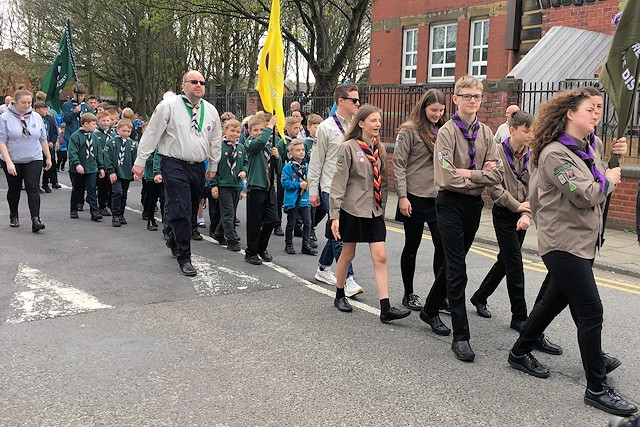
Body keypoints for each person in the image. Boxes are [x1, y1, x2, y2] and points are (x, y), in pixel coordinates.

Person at [507, 88, 636, 416]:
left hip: (582, 242)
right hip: (563, 244)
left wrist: (612, 157)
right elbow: (586, 193)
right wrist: (609, 179)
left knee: (552, 301)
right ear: (569, 114)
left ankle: (520, 351)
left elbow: (596, 173)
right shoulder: (554, 153)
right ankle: (596, 386)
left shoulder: (587, 145)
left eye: (598, 109)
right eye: (590, 109)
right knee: (591, 311)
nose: (596, 114)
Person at [434, 75, 502, 362]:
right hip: (449, 203)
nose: (472, 100)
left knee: (454, 260)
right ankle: (460, 336)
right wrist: (479, 176)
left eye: (476, 96)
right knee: (458, 268)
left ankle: (428, 308)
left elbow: (497, 172)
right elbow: (446, 174)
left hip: (474, 205)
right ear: (456, 99)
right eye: (466, 95)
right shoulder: (446, 133)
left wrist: (471, 175)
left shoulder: (486, 133)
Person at [132, 70, 222, 277]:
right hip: (173, 164)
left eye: (201, 82)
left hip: (197, 166)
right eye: (194, 82)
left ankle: (173, 238)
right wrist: (140, 161)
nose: (198, 85)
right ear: (184, 85)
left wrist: (213, 166)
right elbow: (151, 134)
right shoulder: (168, 106)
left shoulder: (210, 111)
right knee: (180, 208)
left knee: (190, 211)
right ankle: (184, 256)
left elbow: (215, 140)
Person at [329, 105, 411, 323]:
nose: (378, 124)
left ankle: (386, 308)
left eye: (379, 120)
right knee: (348, 255)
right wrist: (334, 215)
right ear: (361, 123)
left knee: (381, 257)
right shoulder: (347, 148)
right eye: (373, 120)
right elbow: (338, 183)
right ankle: (339, 294)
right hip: (352, 210)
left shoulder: (379, 148)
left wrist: (381, 208)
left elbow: (383, 182)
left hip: (373, 211)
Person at [392, 89, 451, 333]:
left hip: (437, 195)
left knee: (443, 246)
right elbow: (398, 164)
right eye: (433, 110)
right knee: (412, 245)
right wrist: (403, 197)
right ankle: (409, 293)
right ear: (423, 107)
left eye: (441, 110)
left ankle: (438, 297)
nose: (437, 114)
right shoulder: (409, 130)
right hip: (414, 196)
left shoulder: (444, 130)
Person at [470, 111, 534, 332]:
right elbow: (493, 187)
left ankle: (479, 296)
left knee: (506, 260)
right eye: (527, 131)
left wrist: (527, 213)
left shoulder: (531, 156)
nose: (530, 135)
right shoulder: (496, 153)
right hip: (504, 213)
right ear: (513, 130)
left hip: (523, 213)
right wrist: (516, 206)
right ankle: (519, 317)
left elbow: (536, 187)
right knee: (515, 262)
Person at [308, 84, 363, 296]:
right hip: (330, 187)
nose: (358, 104)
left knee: (336, 233)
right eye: (354, 100)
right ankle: (348, 279)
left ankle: (323, 268)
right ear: (341, 101)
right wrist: (313, 190)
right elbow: (316, 161)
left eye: (358, 100)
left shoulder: (358, 127)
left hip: (351, 189)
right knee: (341, 234)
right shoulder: (326, 128)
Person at [0, 89, 51, 231]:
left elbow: (43, 138)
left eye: (29, 102)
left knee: (32, 186)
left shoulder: (36, 117)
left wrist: (48, 156)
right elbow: (1, 141)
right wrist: (9, 162)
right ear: (15, 102)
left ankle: (36, 219)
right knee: (14, 188)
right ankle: (14, 214)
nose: (27, 105)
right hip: (13, 158)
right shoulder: (4, 118)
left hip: (33, 157)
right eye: (24, 102)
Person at [243, 114, 281, 265]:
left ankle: (261, 247)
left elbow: (278, 169)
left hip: (269, 187)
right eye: (256, 130)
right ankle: (250, 251)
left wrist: (277, 157)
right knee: (254, 221)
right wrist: (270, 127)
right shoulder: (250, 143)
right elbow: (259, 143)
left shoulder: (270, 144)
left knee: (272, 219)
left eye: (262, 129)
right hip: (256, 186)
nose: (259, 132)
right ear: (250, 131)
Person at [207, 118, 246, 252]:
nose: (235, 134)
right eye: (233, 131)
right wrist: (214, 184)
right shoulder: (219, 146)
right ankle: (231, 240)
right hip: (223, 184)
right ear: (225, 131)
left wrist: (244, 171)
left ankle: (219, 232)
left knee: (231, 212)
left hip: (236, 184)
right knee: (228, 213)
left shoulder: (240, 148)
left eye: (238, 131)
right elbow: (214, 166)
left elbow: (246, 162)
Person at [282, 139, 316, 255]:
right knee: (291, 223)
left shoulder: (307, 166)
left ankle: (306, 245)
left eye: (302, 150)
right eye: (298, 150)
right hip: (293, 199)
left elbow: (312, 180)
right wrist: (298, 185)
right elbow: (285, 183)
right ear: (291, 153)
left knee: (307, 222)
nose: (301, 152)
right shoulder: (288, 167)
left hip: (304, 199)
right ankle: (288, 244)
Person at [67, 113, 104, 222]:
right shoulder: (76, 136)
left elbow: (98, 153)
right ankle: (73, 208)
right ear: (86, 124)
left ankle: (94, 211)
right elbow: (72, 152)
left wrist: (100, 167)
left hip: (92, 168)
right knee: (77, 189)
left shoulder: (94, 137)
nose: (95, 126)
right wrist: (77, 164)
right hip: (78, 168)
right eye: (93, 124)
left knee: (92, 189)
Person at [104, 119, 137, 227]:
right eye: (123, 131)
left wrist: (136, 172)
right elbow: (107, 157)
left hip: (126, 173)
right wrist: (111, 171)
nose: (126, 133)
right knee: (117, 192)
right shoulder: (112, 143)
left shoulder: (132, 144)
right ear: (118, 130)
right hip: (116, 173)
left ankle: (121, 214)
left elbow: (135, 159)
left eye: (128, 131)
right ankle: (116, 215)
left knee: (124, 194)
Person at [274, 115, 302, 236]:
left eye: (299, 128)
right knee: (280, 200)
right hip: (284, 175)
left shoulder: (298, 143)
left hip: (296, 176)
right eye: (295, 128)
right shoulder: (282, 142)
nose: (297, 130)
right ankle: (277, 224)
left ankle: (296, 225)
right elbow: (278, 160)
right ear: (287, 128)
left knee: (297, 201)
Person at [34, 101, 60, 193]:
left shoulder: (49, 118)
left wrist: (52, 141)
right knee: (37, 166)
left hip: (48, 145)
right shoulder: (33, 119)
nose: (46, 111)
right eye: (44, 109)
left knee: (49, 164)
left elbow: (54, 131)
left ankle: (45, 183)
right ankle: (35, 185)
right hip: (37, 147)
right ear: (37, 110)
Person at [61, 84, 92, 151]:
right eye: (78, 96)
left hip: (84, 136)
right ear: (73, 94)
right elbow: (65, 119)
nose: (80, 98)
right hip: (71, 135)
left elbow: (91, 121)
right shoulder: (67, 105)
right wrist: (74, 112)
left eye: (82, 96)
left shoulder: (86, 107)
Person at [94, 111, 113, 216]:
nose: (106, 123)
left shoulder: (113, 135)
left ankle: (110, 204)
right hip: (100, 165)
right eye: (103, 121)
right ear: (98, 122)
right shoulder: (96, 134)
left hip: (111, 165)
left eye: (107, 120)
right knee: (102, 187)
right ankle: (102, 206)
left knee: (110, 187)